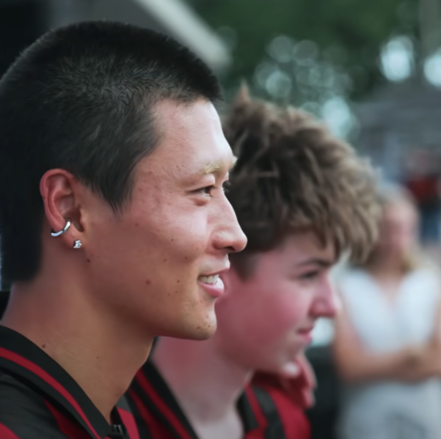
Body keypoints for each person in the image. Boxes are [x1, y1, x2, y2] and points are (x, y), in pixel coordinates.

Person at [0, 21, 247, 439]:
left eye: (224, 188)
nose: (236, 235)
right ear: (71, 210)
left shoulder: (102, 407)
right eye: (203, 190)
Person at [126, 88, 380, 439]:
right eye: (309, 274)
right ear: (222, 260)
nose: (331, 305)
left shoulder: (286, 419)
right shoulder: (107, 423)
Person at [333, 184, 441, 439]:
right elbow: (349, 367)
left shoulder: (429, 282)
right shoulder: (347, 286)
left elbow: (438, 360)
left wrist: (373, 363)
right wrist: (411, 354)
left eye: (406, 229)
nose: (398, 239)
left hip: (424, 421)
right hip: (366, 422)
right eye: (389, 228)